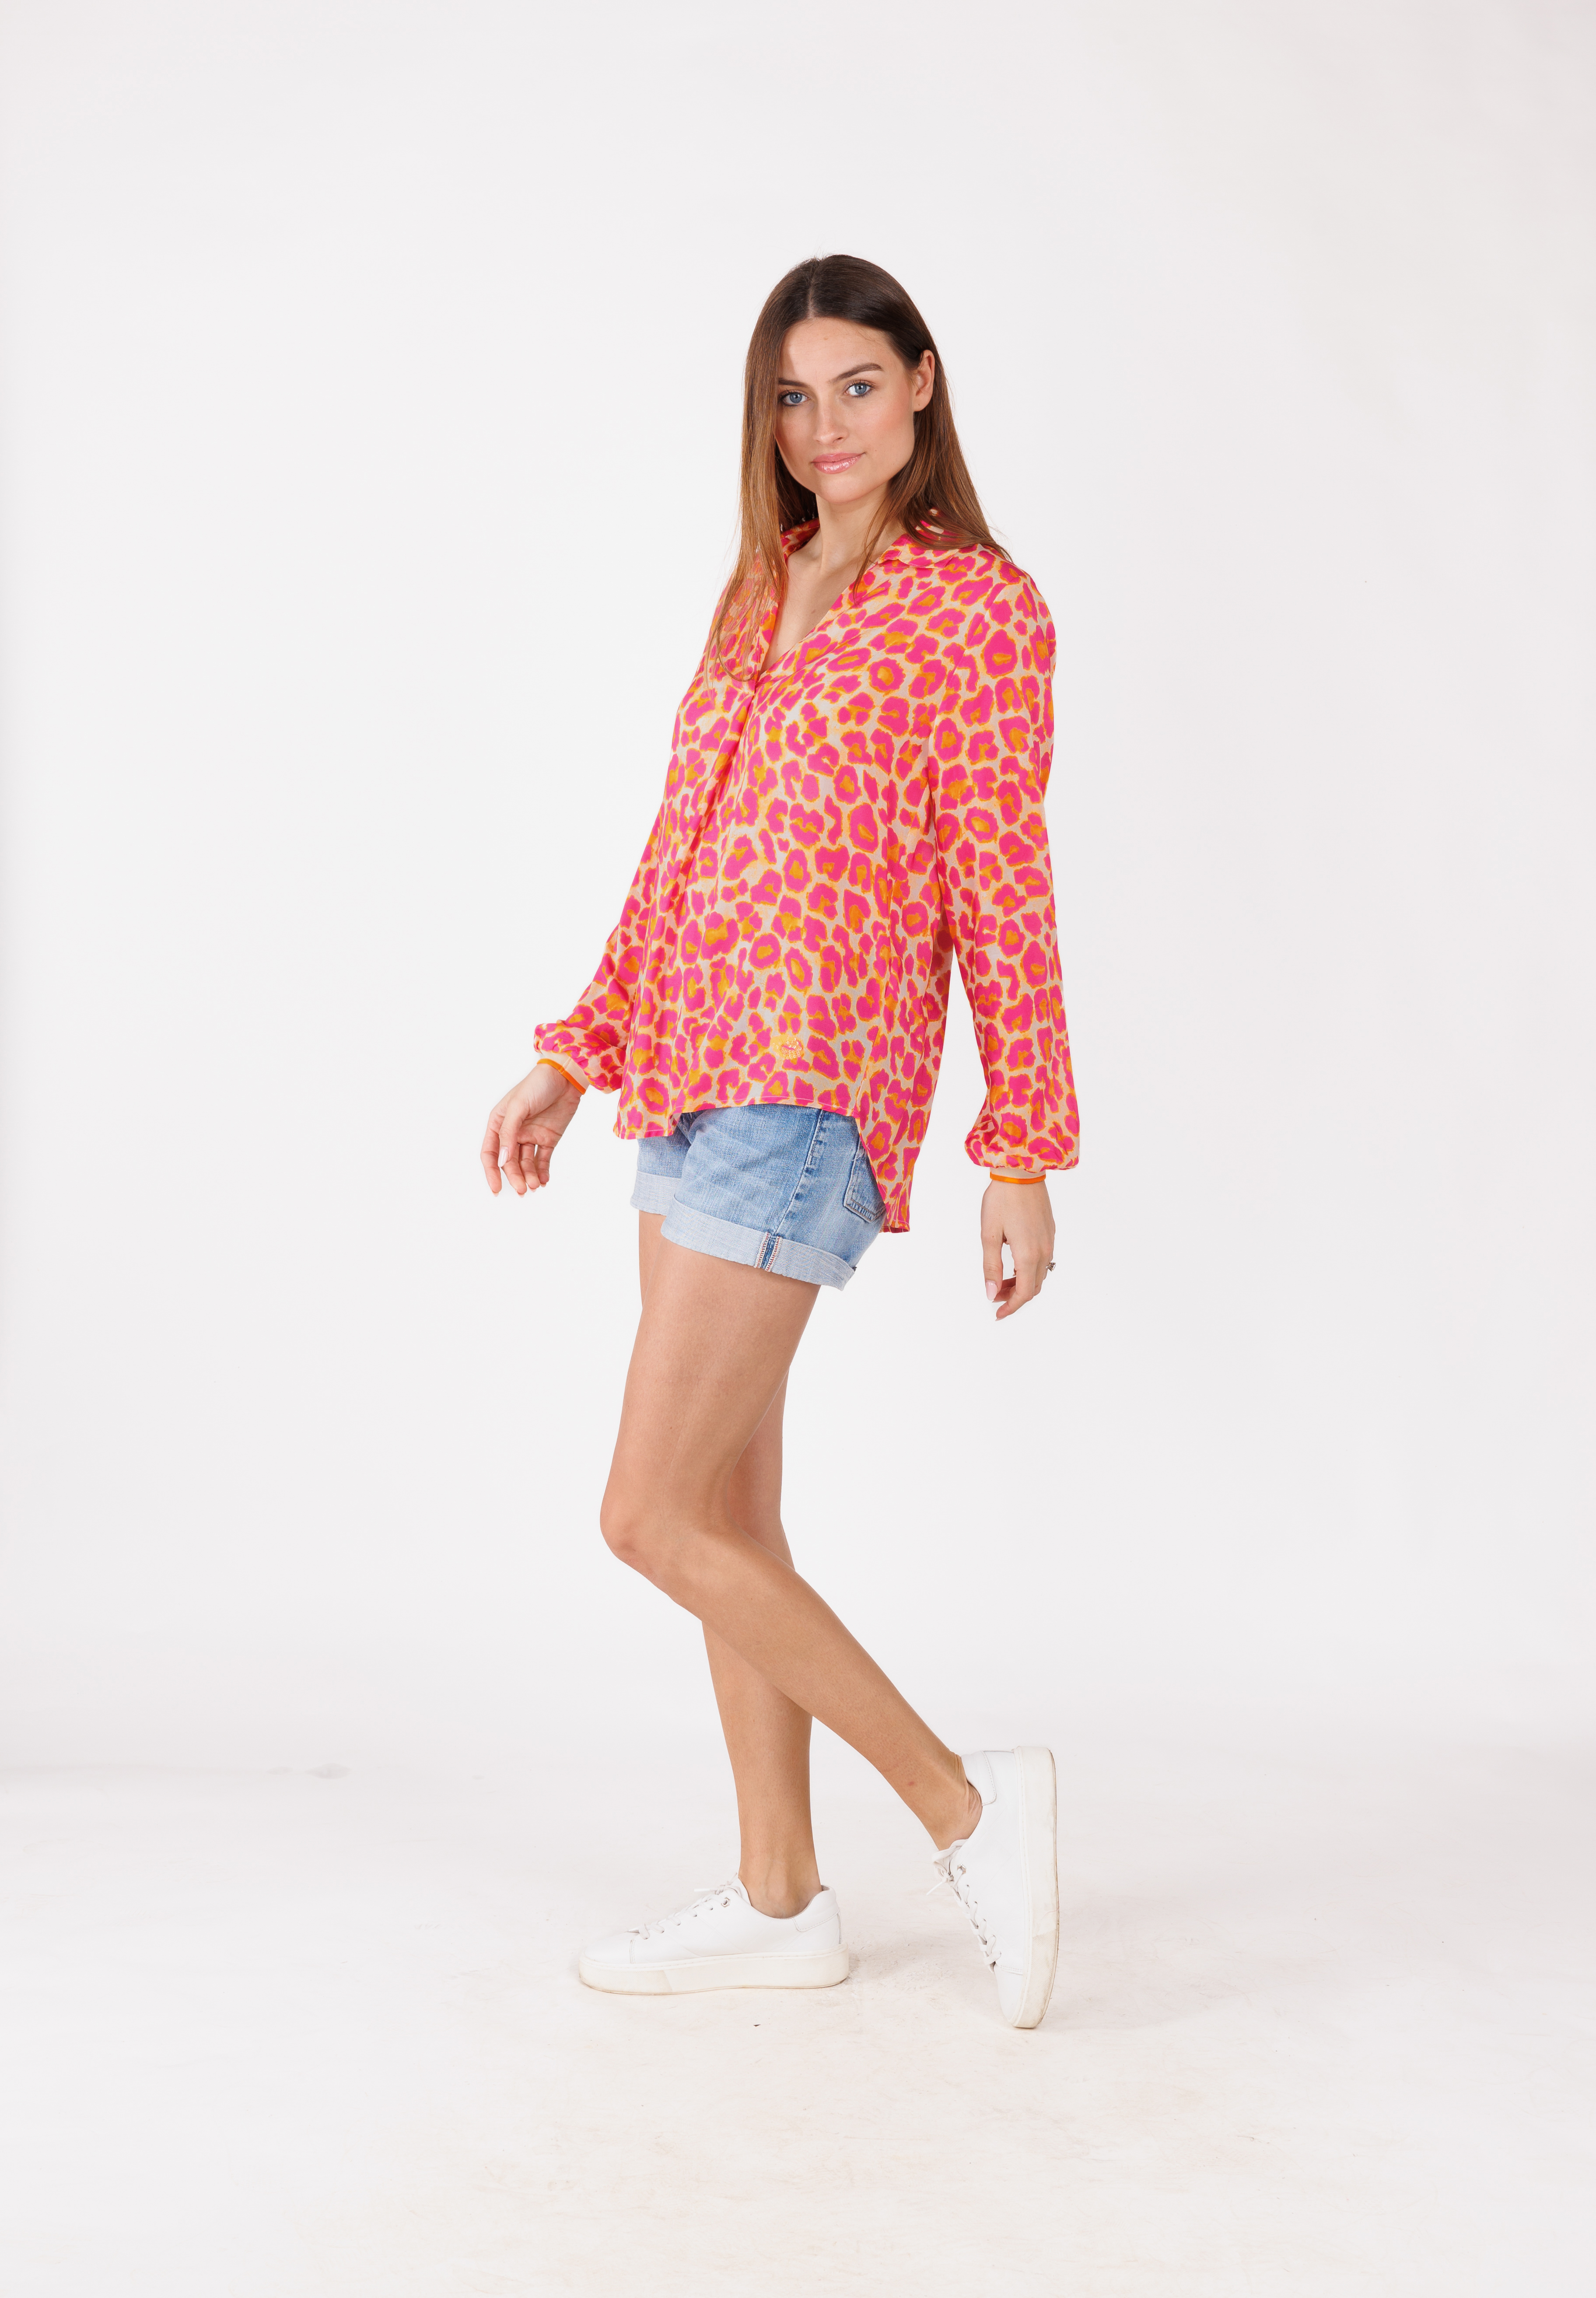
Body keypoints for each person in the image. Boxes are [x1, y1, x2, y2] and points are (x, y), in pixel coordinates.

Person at [480, 254, 1079, 2029]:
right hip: (684, 1075)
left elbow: (1004, 882)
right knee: (730, 1509)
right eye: (794, 398)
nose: (825, 428)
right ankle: (778, 1900)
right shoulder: (764, 586)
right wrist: (578, 1053)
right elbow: (681, 850)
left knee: (646, 1512)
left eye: (857, 387)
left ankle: (967, 1807)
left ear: (923, 384)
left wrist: (1023, 1145)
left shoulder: (977, 607)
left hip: (810, 1088)